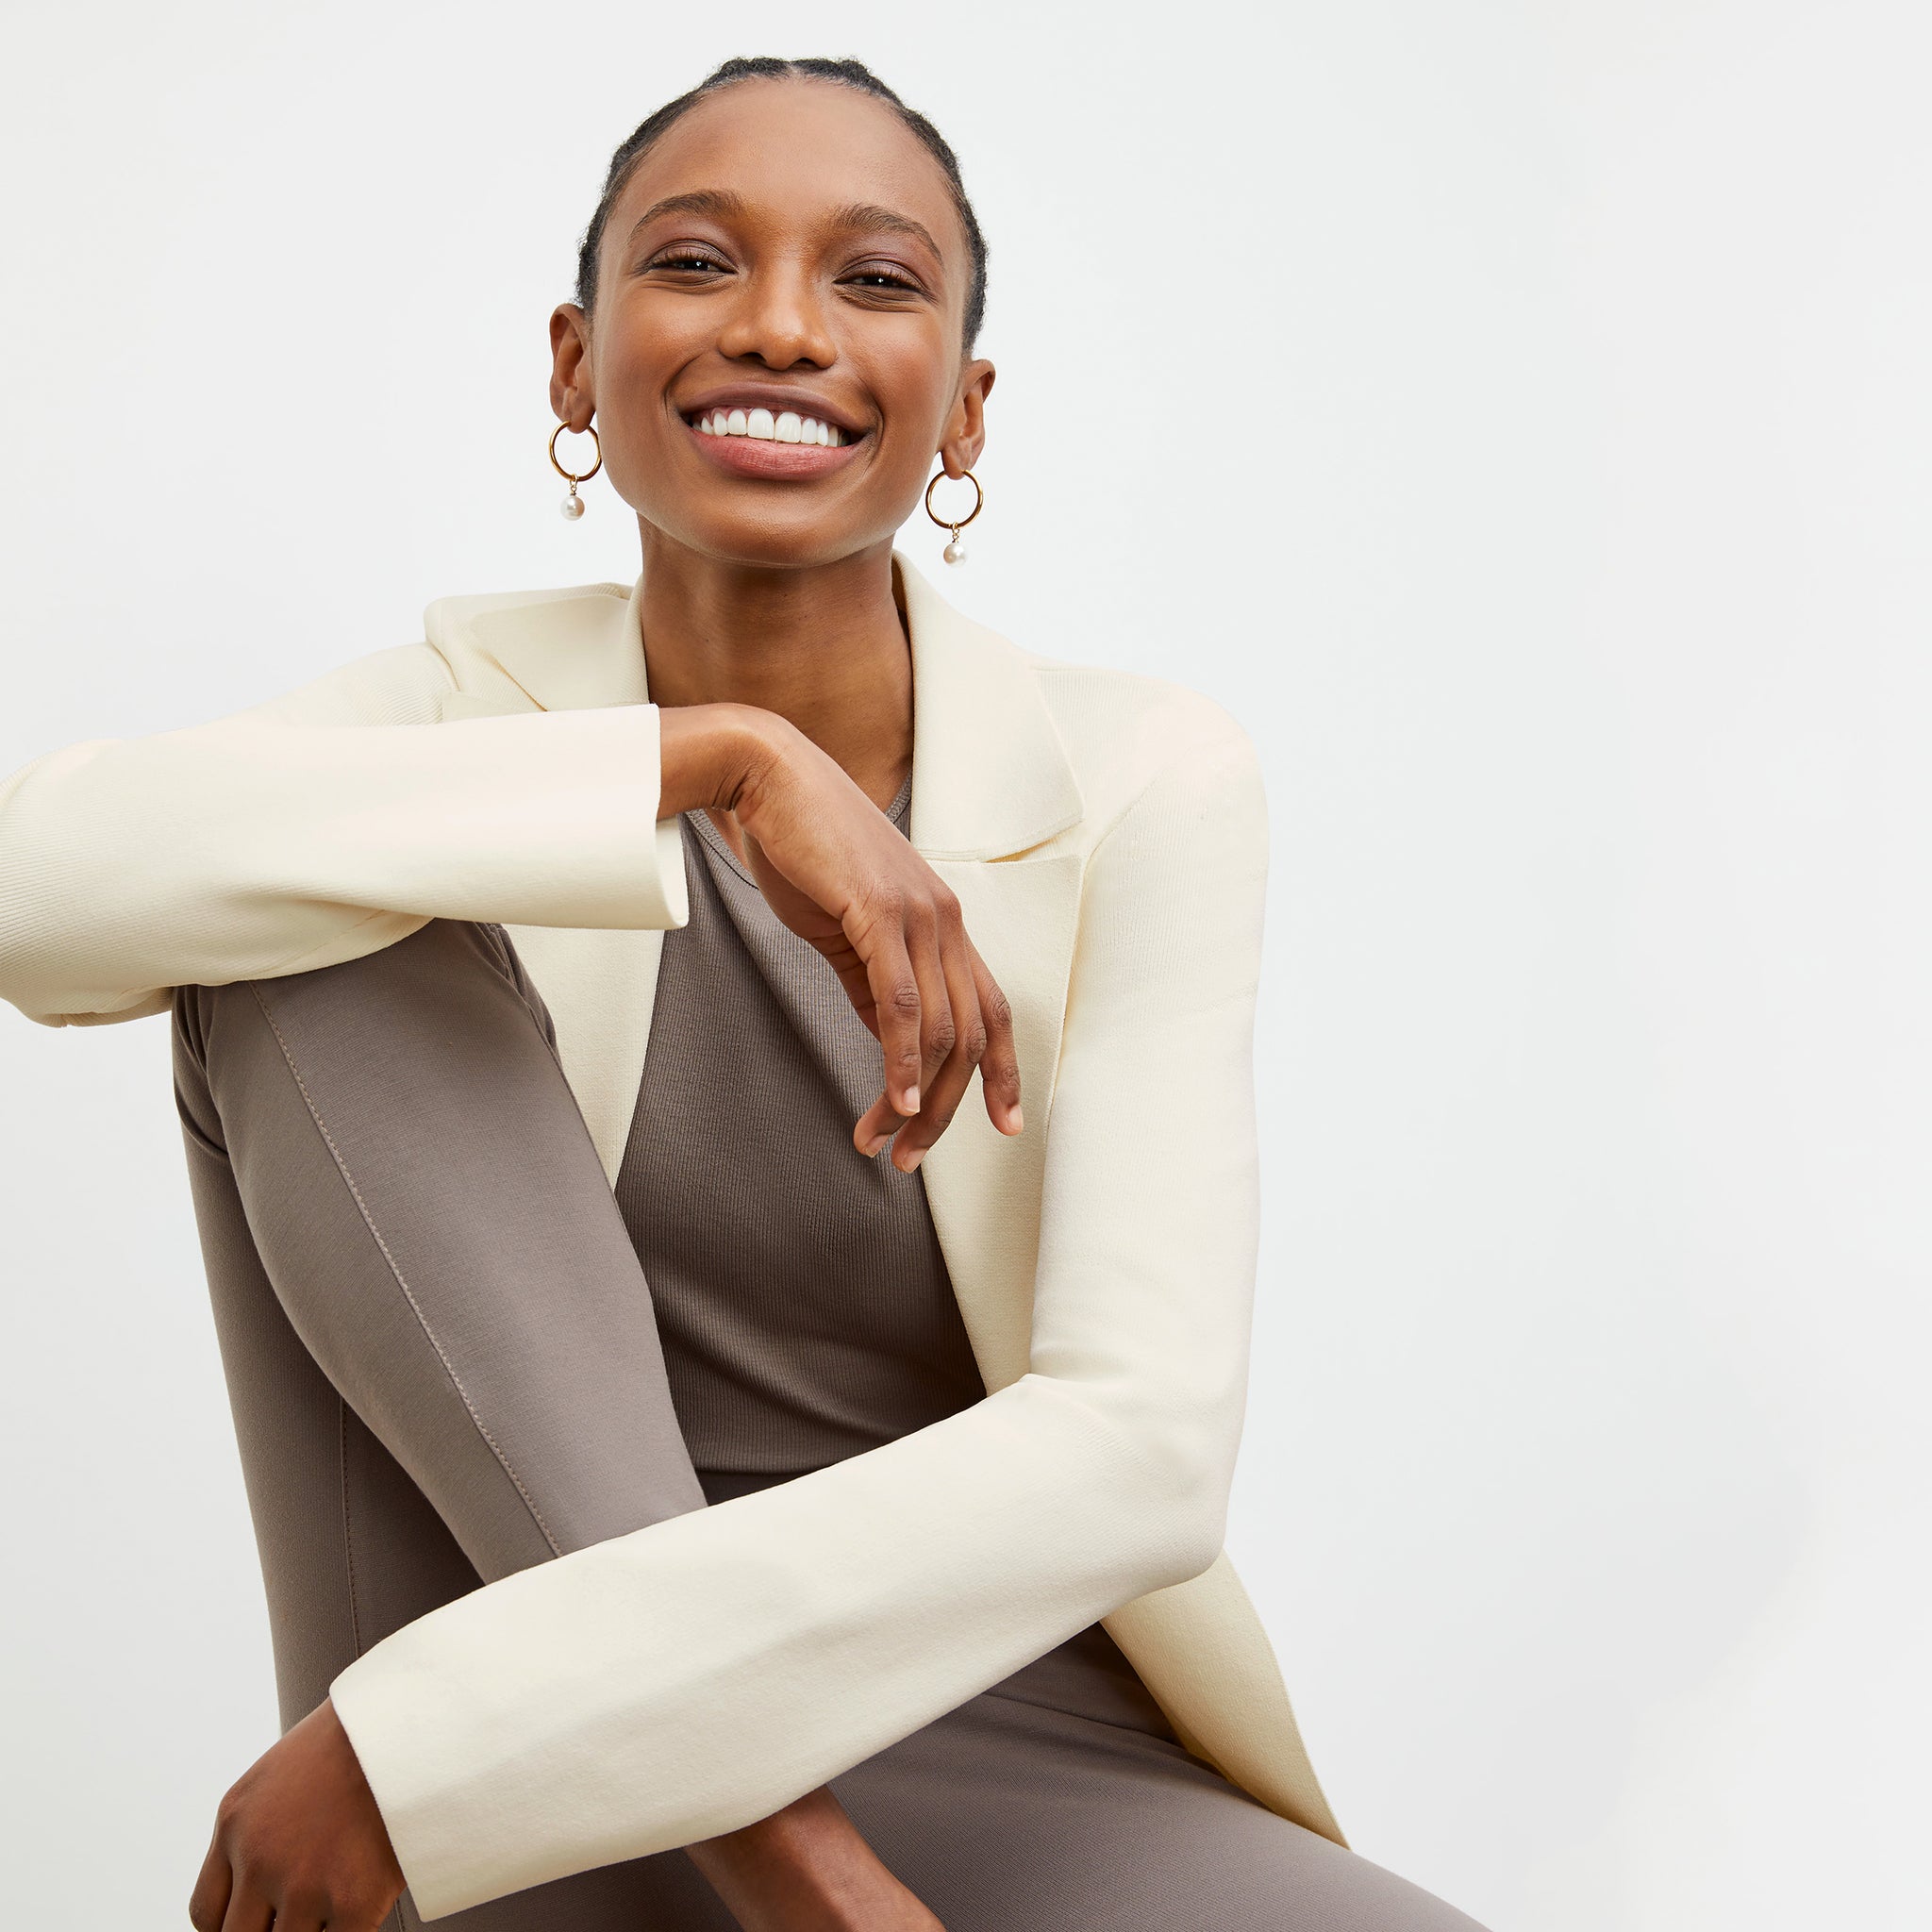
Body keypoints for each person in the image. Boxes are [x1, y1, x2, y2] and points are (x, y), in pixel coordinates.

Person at [0, 55, 1490, 1932]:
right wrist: (710, 761)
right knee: (325, 908)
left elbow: (1142, 1449)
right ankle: (781, 1859)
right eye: (698, 263)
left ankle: (773, 1827)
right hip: (474, 1739)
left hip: (976, 1725)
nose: (783, 327)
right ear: (575, 364)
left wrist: (442, 1736)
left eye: (875, 283)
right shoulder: (451, 734)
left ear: (962, 410)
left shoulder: (1140, 783)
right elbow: (37, 883)